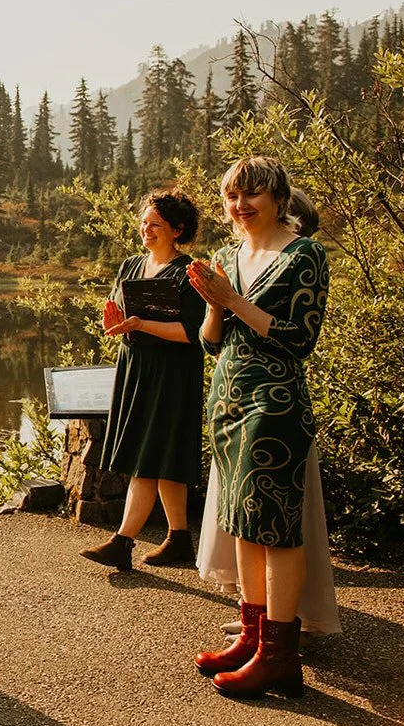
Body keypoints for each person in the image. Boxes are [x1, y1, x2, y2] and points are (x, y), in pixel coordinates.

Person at [188, 156, 329, 698]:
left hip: (275, 404)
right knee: (240, 521)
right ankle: (251, 636)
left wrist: (233, 301)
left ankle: (280, 657)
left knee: (276, 527)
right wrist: (214, 306)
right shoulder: (227, 255)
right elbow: (213, 341)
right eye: (232, 196)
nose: (240, 205)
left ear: (278, 197)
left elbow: (298, 339)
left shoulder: (305, 255)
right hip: (227, 399)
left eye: (252, 195)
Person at [80, 190, 206, 570]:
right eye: (144, 222)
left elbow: (193, 332)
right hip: (135, 366)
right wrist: (115, 324)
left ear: (177, 230)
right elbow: (122, 312)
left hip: (172, 373)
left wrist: (141, 324)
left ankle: (122, 541)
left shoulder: (190, 273)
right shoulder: (131, 266)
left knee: (151, 458)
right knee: (161, 455)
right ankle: (180, 539)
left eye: (155, 224)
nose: (145, 230)